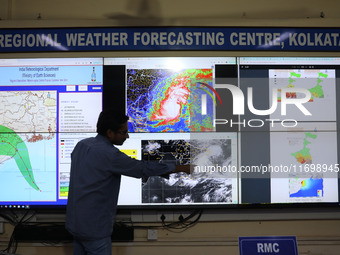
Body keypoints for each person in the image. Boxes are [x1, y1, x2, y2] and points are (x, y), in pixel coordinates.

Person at [65, 109, 191, 255]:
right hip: (95, 231)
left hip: (76, 226)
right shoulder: (109, 154)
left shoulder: (82, 145)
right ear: (110, 132)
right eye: (123, 132)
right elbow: (142, 169)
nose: (127, 136)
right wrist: (181, 167)